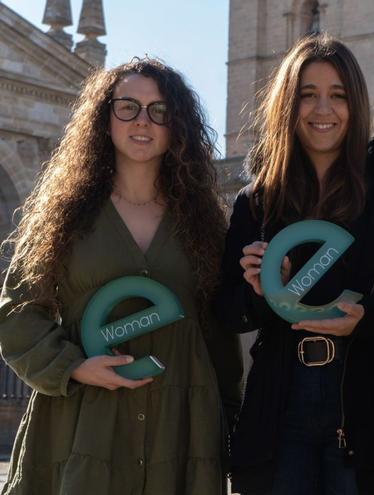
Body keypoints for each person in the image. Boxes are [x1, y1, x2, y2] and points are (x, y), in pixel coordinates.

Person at [214, 34, 374, 495]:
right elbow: (226, 311)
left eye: (337, 95)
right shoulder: (256, 200)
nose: (324, 110)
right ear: (288, 104)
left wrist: (370, 319)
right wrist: (258, 290)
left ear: (355, 103)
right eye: (308, 96)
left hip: (367, 408)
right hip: (280, 410)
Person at [0, 58, 242, 494]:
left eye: (159, 110)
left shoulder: (206, 225)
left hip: (183, 428)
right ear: (104, 117)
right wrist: (73, 367)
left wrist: (231, 416)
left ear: (177, 125)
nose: (143, 121)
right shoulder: (60, 217)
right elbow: (17, 313)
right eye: (127, 107)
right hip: (81, 425)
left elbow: (219, 329)